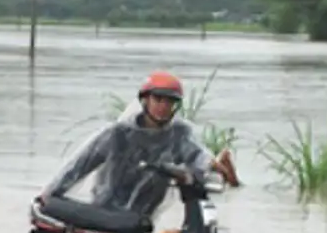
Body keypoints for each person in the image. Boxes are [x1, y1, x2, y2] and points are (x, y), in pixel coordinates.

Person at [41, 71, 239, 222]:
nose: (163, 106)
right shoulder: (118, 133)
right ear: (145, 100)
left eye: (169, 102)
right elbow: (80, 165)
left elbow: (196, 154)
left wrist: (214, 165)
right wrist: (50, 193)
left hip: (143, 214)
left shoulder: (178, 133)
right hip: (107, 210)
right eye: (158, 99)